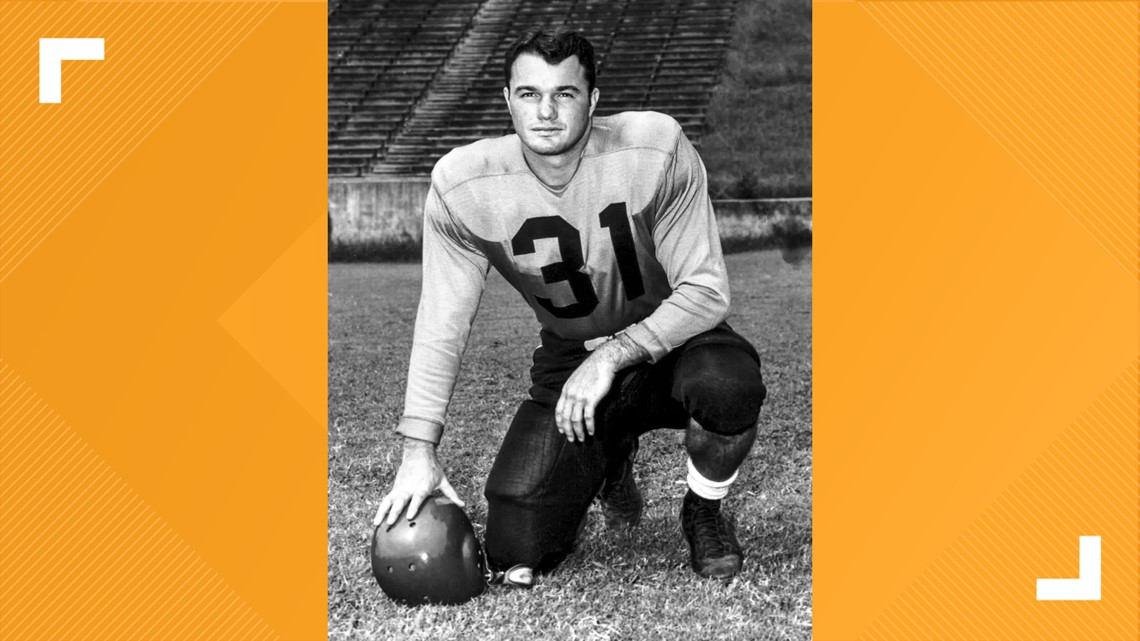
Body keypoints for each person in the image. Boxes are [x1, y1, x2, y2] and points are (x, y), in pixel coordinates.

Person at [373, 28, 766, 586]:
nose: (547, 112)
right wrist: (419, 449)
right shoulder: (463, 185)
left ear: (594, 101)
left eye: (565, 93)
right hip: (570, 353)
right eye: (530, 94)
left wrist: (611, 358)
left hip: (676, 340)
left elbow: (704, 291)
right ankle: (612, 455)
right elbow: (442, 322)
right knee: (515, 552)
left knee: (729, 387)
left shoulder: (653, 147)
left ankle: (702, 507)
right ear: (507, 100)